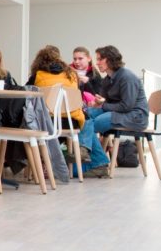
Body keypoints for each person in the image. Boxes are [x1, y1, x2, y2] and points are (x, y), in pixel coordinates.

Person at [29, 45, 110, 177]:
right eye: (75, 58)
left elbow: (27, 93)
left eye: (80, 58)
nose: (77, 61)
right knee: (87, 119)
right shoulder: (71, 73)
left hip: (47, 122)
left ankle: (42, 164)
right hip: (72, 122)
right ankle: (92, 156)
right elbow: (78, 96)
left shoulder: (38, 75)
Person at [83, 45, 148, 177]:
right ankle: (92, 155)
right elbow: (106, 102)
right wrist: (96, 104)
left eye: (100, 59)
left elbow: (126, 106)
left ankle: (95, 159)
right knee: (85, 114)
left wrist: (103, 105)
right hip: (120, 112)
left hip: (135, 116)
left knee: (95, 122)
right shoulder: (107, 79)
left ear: (110, 60)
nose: (97, 63)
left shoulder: (127, 77)